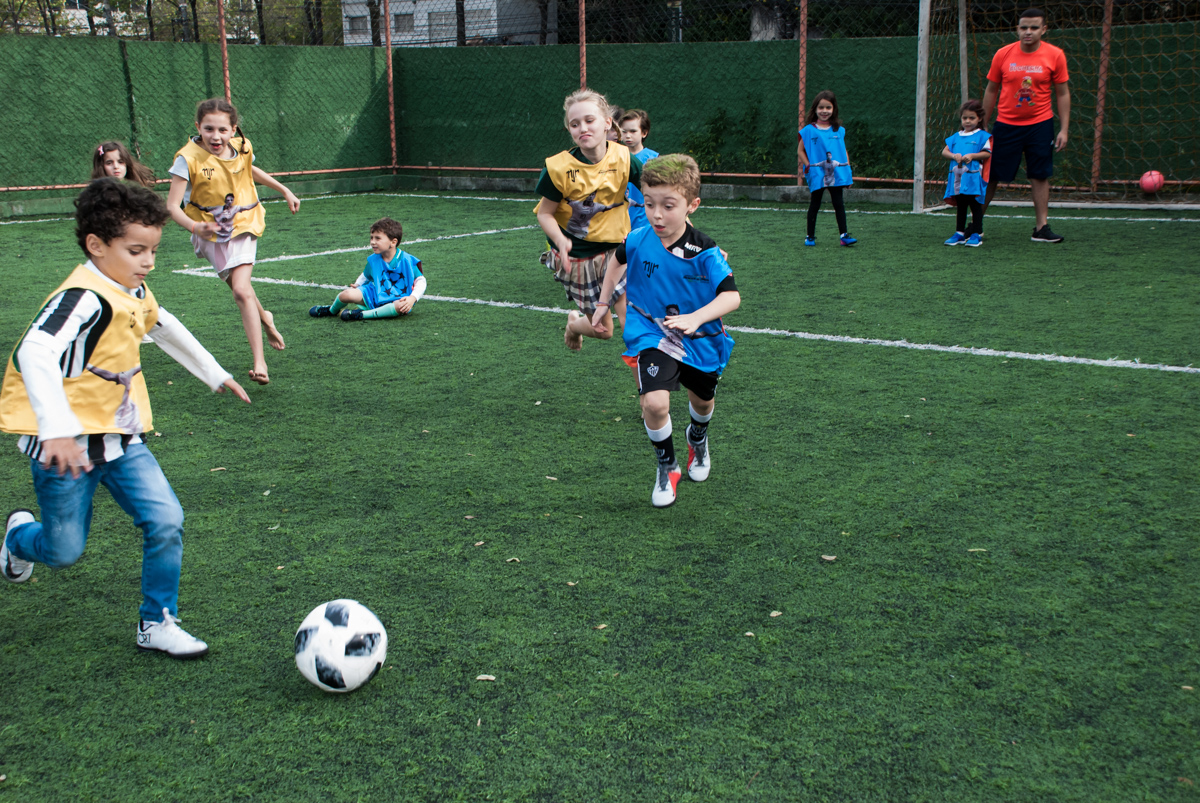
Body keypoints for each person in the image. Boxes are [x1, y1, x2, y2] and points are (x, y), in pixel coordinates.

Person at [0, 178, 251, 658]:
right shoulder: (82, 296)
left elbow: (161, 322)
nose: (149, 262)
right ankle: (17, 537)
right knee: (63, 552)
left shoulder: (130, 288)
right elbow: (35, 349)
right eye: (137, 251)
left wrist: (214, 373)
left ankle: (156, 622)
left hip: (120, 440)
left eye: (153, 250)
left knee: (166, 519)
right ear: (96, 246)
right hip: (66, 450)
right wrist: (55, 429)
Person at [591, 154, 740, 508]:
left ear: (692, 205)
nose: (657, 214)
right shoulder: (638, 238)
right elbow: (618, 260)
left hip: (699, 338)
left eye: (668, 206)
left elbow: (731, 297)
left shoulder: (705, 250)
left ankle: (698, 439)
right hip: (650, 331)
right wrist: (602, 302)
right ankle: (667, 465)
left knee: (701, 401)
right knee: (655, 402)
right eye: (649, 204)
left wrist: (696, 318)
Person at [166, 97, 301, 385]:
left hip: (244, 223)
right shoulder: (186, 159)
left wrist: (284, 189)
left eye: (223, 130)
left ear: (233, 129)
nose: (216, 136)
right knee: (242, 290)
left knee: (240, 290)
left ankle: (260, 362)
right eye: (209, 129)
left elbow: (248, 168)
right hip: (210, 232)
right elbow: (171, 206)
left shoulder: (241, 146)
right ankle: (266, 319)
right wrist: (194, 226)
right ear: (197, 127)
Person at [535, 88, 643, 352]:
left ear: (607, 123)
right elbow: (544, 212)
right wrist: (560, 241)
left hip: (617, 249)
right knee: (603, 330)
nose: (582, 128)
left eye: (589, 120)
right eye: (575, 124)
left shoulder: (625, 158)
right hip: (580, 257)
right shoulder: (558, 168)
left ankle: (647, 386)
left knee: (632, 319)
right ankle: (574, 324)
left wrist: (691, 240)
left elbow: (659, 196)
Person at [981, 6, 1070, 243]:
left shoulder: (1055, 55)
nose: (1028, 32)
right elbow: (991, 89)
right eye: (1023, 27)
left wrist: (1064, 129)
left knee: (1040, 175)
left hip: (1040, 124)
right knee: (991, 175)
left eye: (1033, 27)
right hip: (1006, 125)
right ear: (1017, 29)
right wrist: (982, 124)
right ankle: (975, 225)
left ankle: (1041, 228)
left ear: (1043, 29)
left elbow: (1062, 93)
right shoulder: (1003, 54)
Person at [309, 217, 427, 321]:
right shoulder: (374, 259)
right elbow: (366, 275)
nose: (372, 242)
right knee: (346, 295)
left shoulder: (407, 260)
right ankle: (331, 310)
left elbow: (421, 281)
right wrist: (358, 284)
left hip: (398, 299)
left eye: (377, 238)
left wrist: (413, 298)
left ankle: (362, 315)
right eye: (371, 238)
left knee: (399, 307)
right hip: (375, 294)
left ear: (393, 242)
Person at [798, 91, 856, 247]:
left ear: (834, 109)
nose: (824, 111)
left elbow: (844, 152)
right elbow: (800, 150)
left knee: (839, 204)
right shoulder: (809, 130)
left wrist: (847, 173)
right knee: (815, 204)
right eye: (821, 107)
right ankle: (810, 236)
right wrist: (808, 165)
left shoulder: (838, 130)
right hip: (817, 174)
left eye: (828, 107)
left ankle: (844, 236)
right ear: (815, 109)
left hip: (836, 175)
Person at [940, 99, 992, 247]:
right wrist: (953, 156)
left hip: (973, 177)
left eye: (971, 118)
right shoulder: (956, 136)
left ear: (979, 119)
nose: (967, 121)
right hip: (957, 177)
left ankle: (976, 233)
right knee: (961, 204)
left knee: (975, 205)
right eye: (965, 118)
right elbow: (945, 151)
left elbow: (987, 154)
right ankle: (960, 233)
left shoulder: (982, 136)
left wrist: (973, 156)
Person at [620, 109, 660, 232]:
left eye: (633, 131)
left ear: (644, 133)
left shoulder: (653, 159)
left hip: (644, 221)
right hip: (619, 221)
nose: (627, 135)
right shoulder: (614, 156)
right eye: (624, 131)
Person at [91, 141, 156, 188]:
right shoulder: (96, 196)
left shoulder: (137, 190)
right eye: (109, 163)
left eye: (120, 162)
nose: (116, 167)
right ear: (101, 166)